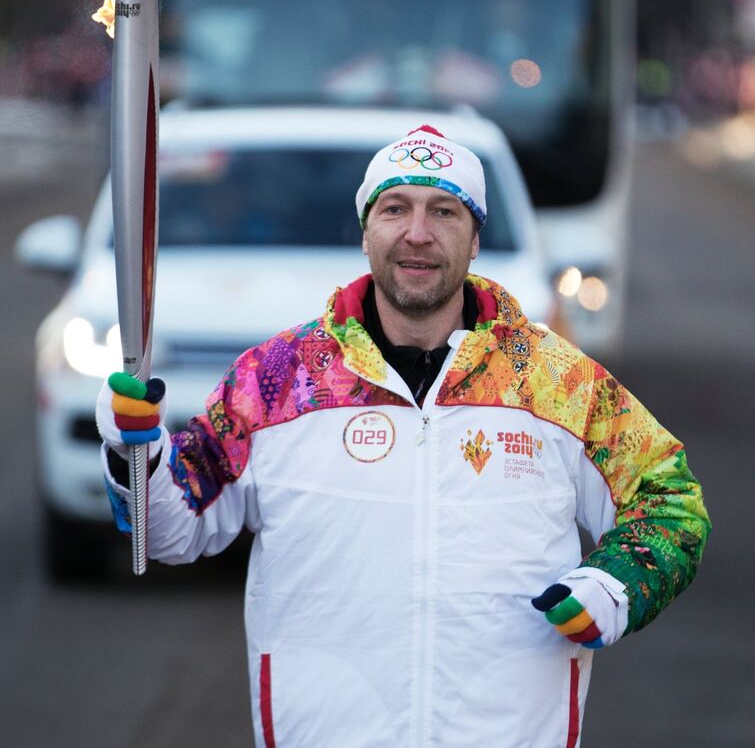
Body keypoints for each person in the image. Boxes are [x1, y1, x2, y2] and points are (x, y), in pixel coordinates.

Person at [97, 123, 710, 748]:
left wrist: (613, 585)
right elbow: (168, 530)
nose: (418, 233)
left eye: (444, 211)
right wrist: (136, 450)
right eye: (396, 209)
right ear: (366, 232)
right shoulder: (278, 379)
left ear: (474, 239)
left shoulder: (553, 381)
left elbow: (669, 501)